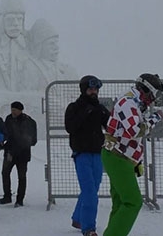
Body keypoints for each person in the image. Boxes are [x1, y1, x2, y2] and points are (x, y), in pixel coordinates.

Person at [102, 73, 163, 236]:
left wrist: (137, 162)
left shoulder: (134, 103)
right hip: (117, 158)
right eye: (154, 95)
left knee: (120, 202)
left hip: (121, 157)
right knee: (133, 202)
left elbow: (131, 138)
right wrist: (155, 118)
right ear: (145, 90)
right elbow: (135, 131)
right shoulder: (128, 103)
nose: (153, 100)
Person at [64, 75, 110, 236]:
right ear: (84, 90)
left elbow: (110, 125)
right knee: (90, 191)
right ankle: (89, 228)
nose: (94, 92)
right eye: (91, 89)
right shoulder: (74, 107)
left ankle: (78, 218)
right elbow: (70, 127)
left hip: (97, 153)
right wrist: (86, 111)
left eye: (96, 89)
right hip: (81, 154)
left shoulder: (100, 108)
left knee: (92, 188)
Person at [0, 101, 37, 207]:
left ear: (21, 110)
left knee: (22, 176)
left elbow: (33, 140)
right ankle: (7, 196)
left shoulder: (29, 121)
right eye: (12, 109)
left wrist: (22, 142)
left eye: (15, 110)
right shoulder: (9, 119)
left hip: (22, 154)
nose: (13, 112)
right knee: (5, 173)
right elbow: (6, 134)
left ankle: (20, 200)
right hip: (10, 152)